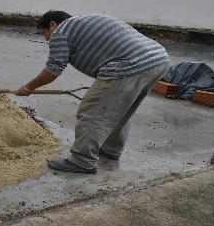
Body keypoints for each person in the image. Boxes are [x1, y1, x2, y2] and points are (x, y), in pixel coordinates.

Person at [16, 11, 170, 174]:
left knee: (91, 111)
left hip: (127, 65)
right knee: (119, 110)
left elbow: (53, 70)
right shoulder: (87, 21)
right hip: (157, 59)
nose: (47, 39)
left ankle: (82, 160)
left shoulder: (61, 32)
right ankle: (111, 150)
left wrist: (28, 88)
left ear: (53, 24)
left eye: (44, 33)